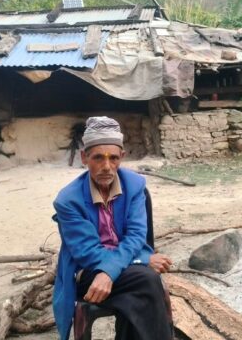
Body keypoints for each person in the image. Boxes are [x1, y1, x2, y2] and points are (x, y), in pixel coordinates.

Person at [52, 116, 174, 340]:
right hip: (89, 271)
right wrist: (141, 260)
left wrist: (112, 271)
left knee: (139, 289)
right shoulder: (68, 200)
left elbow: (136, 235)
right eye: (98, 157)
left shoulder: (134, 185)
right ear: (84, 157)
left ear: (122, 157)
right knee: (146, 280)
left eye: (114, 158)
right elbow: (87, 253)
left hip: (125, 268)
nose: (107, 167)